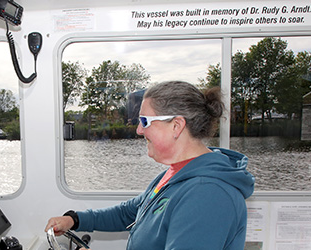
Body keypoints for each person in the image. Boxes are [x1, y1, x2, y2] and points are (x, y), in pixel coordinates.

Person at [45, 81, 255, 250]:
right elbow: (132, 212)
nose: (138, 130)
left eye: (144, 121)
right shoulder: (179, 172)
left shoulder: (208, 194)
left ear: (176, 125)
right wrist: (75, 219)